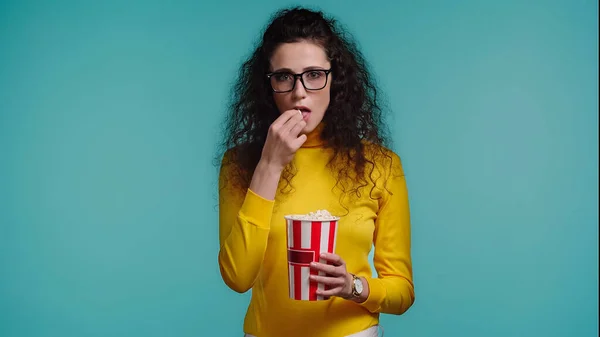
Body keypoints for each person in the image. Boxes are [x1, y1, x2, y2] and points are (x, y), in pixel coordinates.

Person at [216, 6, 414, 337]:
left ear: (335, 80)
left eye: (313, 74)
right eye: (284, 76)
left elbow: (402, 292)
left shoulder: (381, 165)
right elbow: (238, 277)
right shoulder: (240, 163)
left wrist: (353, 286)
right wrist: (269, 163)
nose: (299, 92)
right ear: (269, 86)